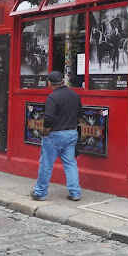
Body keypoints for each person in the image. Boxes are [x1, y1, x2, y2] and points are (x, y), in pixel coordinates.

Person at [31, 71, 83, 201]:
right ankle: (75, 192)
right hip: (71, 133)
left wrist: (45, 131)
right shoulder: (75, 95)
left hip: (55, 135)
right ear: (63, 81)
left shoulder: (52, 98)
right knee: (70, 164)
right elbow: (80, 114)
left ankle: (40, 192)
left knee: (46, 164)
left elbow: (48, 118)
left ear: (49, 83)